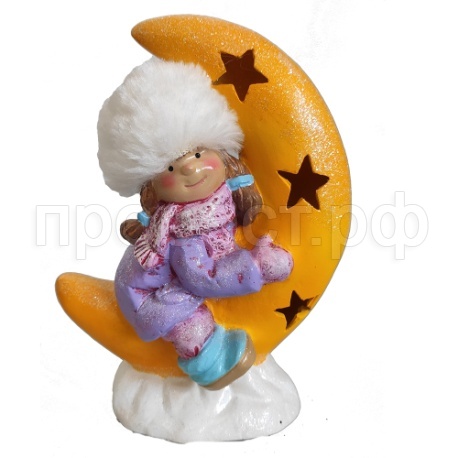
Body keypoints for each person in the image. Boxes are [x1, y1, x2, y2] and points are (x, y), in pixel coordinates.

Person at [97, 57, 293, 389]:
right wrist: (257, 266)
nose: (189, 168)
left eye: (198, 154)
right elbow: (202, 278)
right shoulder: (182, 233)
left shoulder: (218, 202)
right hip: (147, 296)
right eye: (171, 168)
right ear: (153, 188)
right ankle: (212, 366)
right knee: (192, 328)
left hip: (165, 285)